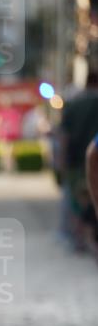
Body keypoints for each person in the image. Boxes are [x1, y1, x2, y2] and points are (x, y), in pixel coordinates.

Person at [58, 71, 98, 248]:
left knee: (75, 201)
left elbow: (63, 136)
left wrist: (61, 162)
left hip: (75, 162)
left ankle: (78, 238)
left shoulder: (74, 104)